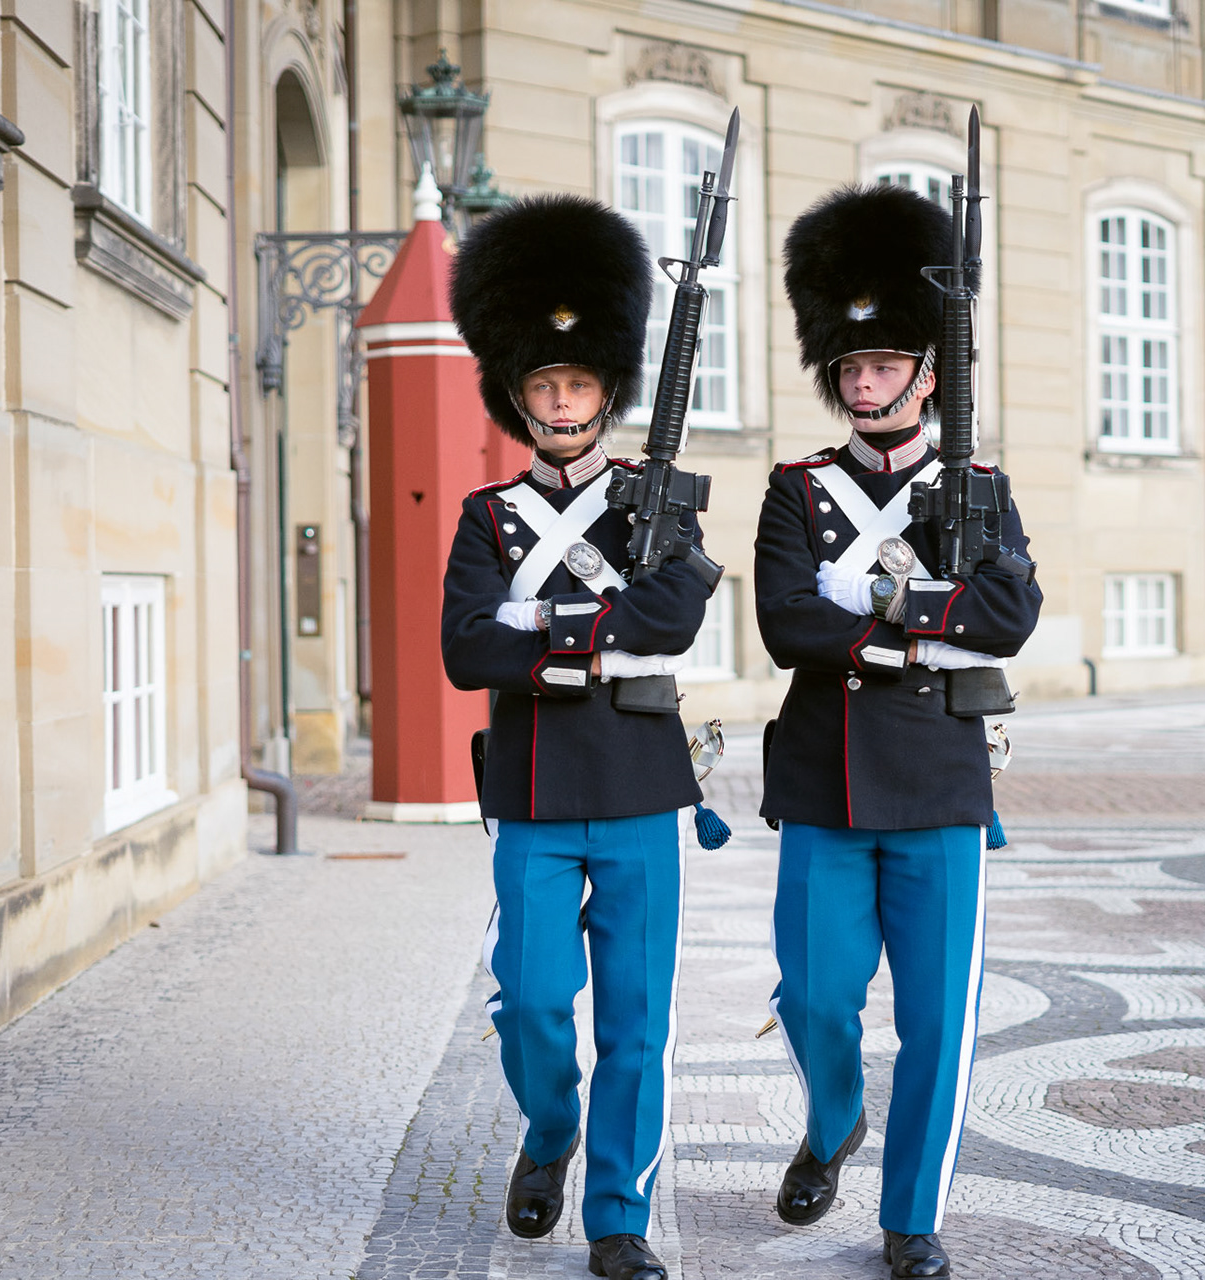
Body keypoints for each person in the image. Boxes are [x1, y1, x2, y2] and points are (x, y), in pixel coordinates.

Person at [754, 184, 1041, 1279]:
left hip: (939, 784)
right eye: (850, 368)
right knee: (814, 993)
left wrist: (867, 616)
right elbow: (787, 624)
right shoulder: (798, 491)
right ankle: (834, 1123)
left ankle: (911, 1216)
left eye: (883, 365)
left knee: (936, 1019)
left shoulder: (978, 487)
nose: (865, 383)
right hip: (825, 779)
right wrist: (930, 628)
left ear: (927, 371)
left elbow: (1011, 616)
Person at [442, 195, 714, 1280]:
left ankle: (616, 1215)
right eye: (545, 385)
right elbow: (467, 648)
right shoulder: (488, 515)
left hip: (644, 786)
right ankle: (550, 1129)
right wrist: (599, 639)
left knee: (636, 1023)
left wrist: (540, 631)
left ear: (607, 393)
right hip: (534, 795)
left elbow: (677, 616)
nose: (562, 400)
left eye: (579, 384)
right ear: (522, 396)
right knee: (534, 1004)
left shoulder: (659, 501)